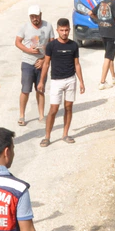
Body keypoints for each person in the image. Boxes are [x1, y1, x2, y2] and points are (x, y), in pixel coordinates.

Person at [38, 18, 85, 147]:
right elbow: (46, 64)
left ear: (69, 30)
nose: (64, 33)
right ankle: (47, 136)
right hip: (56, 81)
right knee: (53, 109)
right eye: (62, 30)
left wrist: (81, 82)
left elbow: (77, 64)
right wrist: (41, 81)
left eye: (66, 30)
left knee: (69, 107)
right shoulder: (51, 46)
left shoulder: (74, 45)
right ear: (57, 30)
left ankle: (65, 134)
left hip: (70, 80)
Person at [14, 5, 53, 126]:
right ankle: (22, 115)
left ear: (41, 14)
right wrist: (28, 50)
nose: (34, 18)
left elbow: (52, 45)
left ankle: (41, 115)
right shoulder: (25, 27)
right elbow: (17, 42)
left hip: (42, 63)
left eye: (36, 16)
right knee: (25, 90)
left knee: (40, 89)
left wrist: (44, 59)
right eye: (32, 16)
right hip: (27, 62)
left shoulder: (48, 26)